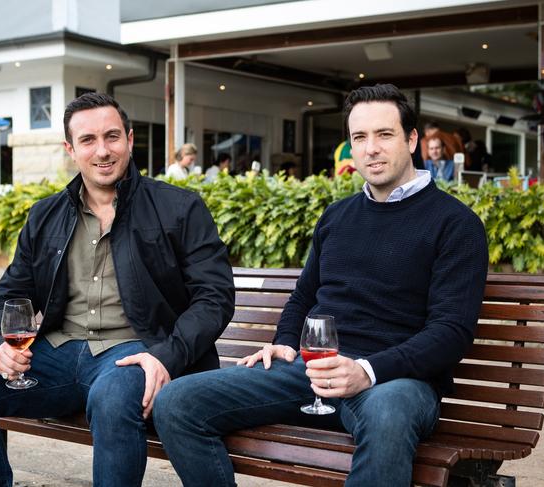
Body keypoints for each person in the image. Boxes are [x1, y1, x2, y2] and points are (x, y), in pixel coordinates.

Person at [154, 84, 489, 487]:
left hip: (396, 381)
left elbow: (451, 333)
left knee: (386, 415)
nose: (371, 149)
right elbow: (304, 295)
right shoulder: (337, 217)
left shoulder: (456, 224)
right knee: (176, 401)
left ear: (412, 139)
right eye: (359, 138)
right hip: (312, 372)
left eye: (384, 135)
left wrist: (367, 370)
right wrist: (283, 340)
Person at [0, 92, 235, 487]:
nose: (103, 151)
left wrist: (167, 355)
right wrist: (1, 346)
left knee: (111, 401)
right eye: (88, 140)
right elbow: (14, 291)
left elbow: (214, 296)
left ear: (130, 140)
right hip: (57, 353)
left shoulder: (179, 207)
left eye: (112, 137)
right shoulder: (45, 214)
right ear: (70, 149)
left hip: (137, 351)